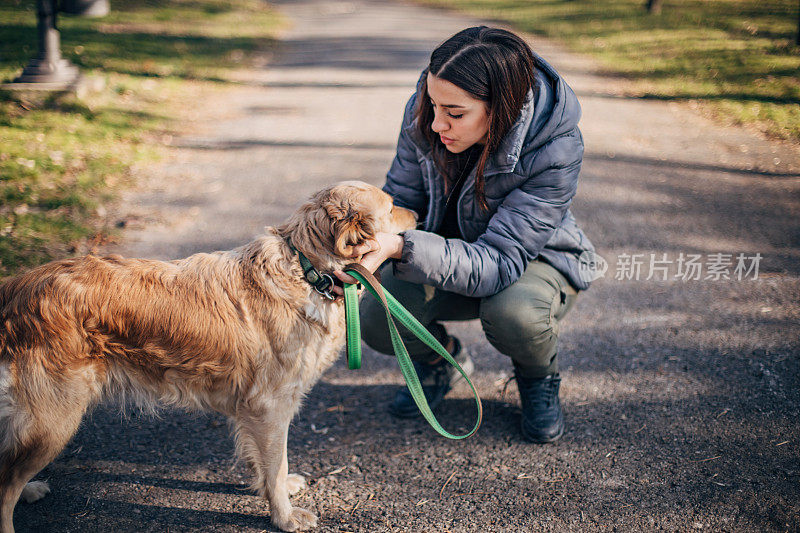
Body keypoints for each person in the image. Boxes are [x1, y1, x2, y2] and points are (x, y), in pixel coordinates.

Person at [334, 26, 595, 443]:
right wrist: (362, 246)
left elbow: (500, 262)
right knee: (374, 315)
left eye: (455, 114)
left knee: (515, 316)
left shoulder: (556, 147)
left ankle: (536, 377)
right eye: (433, 104)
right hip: (438, 252)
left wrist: (399, 247)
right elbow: (401, 199)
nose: (437, 123)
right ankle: (442, 361)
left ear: (502, 108)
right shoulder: (428, 112)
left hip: (529, 264)